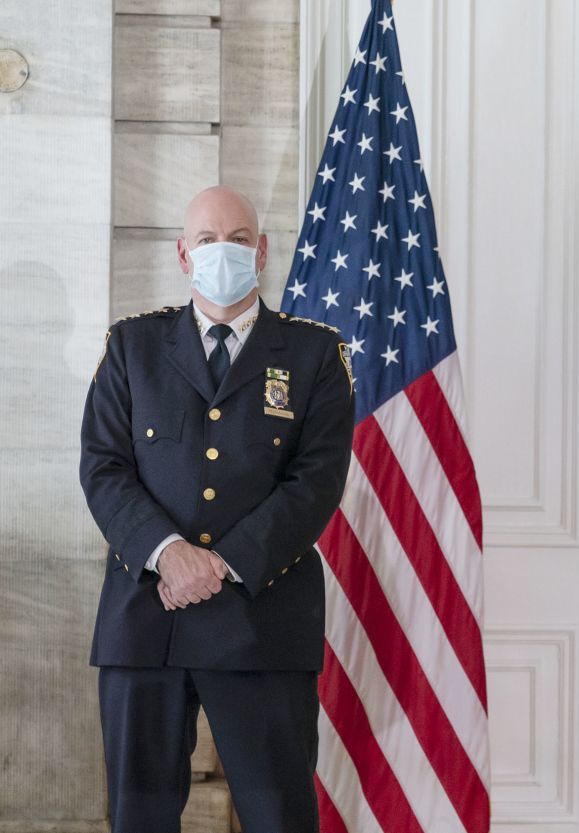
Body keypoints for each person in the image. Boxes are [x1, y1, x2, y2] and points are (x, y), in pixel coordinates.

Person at [79, 186, 355, 833]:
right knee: (138, 817)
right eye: (207, 240)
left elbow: (316, 480)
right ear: (182, 254)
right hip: (146, 616)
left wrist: (222, 563)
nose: (222, 250)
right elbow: (104, 466)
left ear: (260, 250)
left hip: (264, 619)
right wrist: (169, 554)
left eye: (236, 238)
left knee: (278, 816)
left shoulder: (315, 355)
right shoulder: (132, 347)